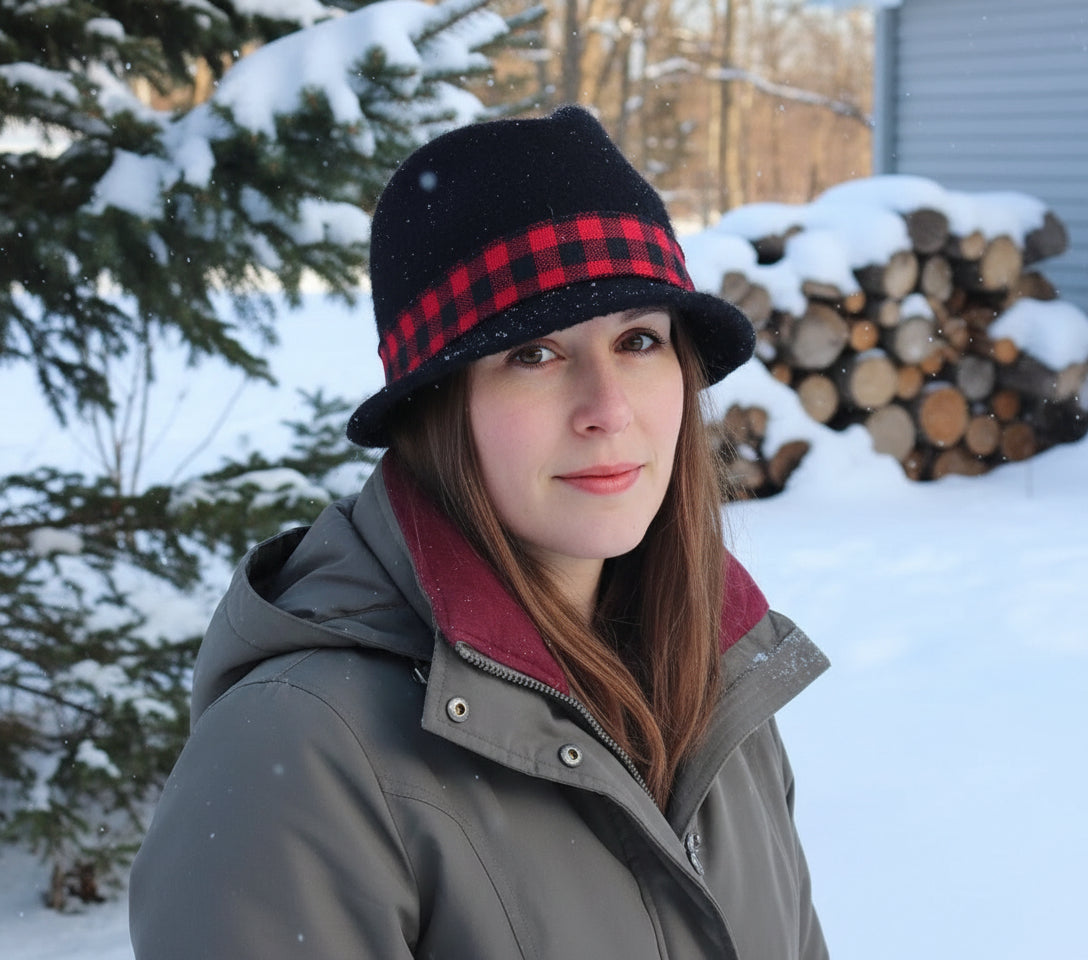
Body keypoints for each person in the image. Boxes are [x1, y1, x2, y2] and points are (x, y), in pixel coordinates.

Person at [129, 105, 830, 959]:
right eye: (533, 354)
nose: (608, 410)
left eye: (640, 340)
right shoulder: (300, 756)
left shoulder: (718, 681)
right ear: (437, 408)